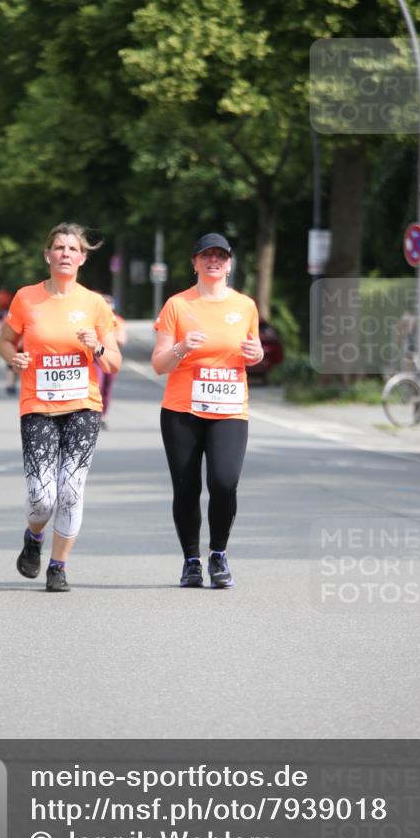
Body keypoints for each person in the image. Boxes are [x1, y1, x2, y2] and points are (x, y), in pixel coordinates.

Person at [0, 222, 122, 593]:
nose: (65, 254)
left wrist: (96, 347)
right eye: (59, 248)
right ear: (47, 255)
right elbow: (6, 341)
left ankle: (58, 565)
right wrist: (13, 359)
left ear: (82, 258)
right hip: (38, 405)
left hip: (83, 406)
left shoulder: (94, 303)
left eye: (73, 249)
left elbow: (113, 362)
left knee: (71, 488)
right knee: (42, 496)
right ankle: (34, 536)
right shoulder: (26, 298)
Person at [151, 232, 264, 589]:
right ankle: (191, 561)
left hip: (229, 409)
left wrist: (257, 355)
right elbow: (159, 364)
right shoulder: (177, 306)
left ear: (230, 263)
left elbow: (254, 349)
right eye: (206, 256)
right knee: (186, 489)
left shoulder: (245, 306)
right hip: (182, 410)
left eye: (220, 256)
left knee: (224, 481)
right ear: (195, 263)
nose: (213, 261)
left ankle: (218, 553)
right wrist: (182, 347)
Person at [95, 293, 127, 429]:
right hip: (96, 358)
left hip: (111, 358)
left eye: (109, 303)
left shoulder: (118, 321)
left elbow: (122, 340)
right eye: (104, 303)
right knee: (98, 386)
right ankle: (95, 414)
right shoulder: (94, 320)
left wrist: (110, 336)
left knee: (107, 388)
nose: (107, 306)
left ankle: (104, 416)